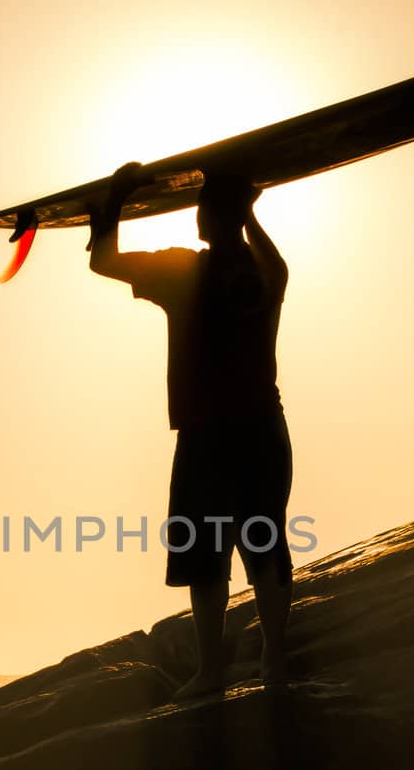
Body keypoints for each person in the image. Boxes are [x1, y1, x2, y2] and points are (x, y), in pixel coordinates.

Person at [88, 162, 294, 699]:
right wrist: (249, 212)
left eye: (203, 206)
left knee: (205, 557)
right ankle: (275, 660)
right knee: (265, 545)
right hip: (264, 428)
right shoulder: (265, 273)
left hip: (207, 436)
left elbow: (103, 260)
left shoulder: (182, 271)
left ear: (204, 220)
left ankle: (212, 672)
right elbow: (275, 261)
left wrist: (115, 198)